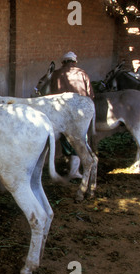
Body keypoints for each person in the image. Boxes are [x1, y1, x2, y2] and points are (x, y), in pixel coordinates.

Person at [50, 51, 95, 179]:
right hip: (79, 112)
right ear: (74, 61)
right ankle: (74, 171)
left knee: (65, 137)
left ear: (63, 62)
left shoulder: (56, 74)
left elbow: (51, 95)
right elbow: (90, 95)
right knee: (80, 139)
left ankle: (69, 165)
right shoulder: (82, 73)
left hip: (61, 110)